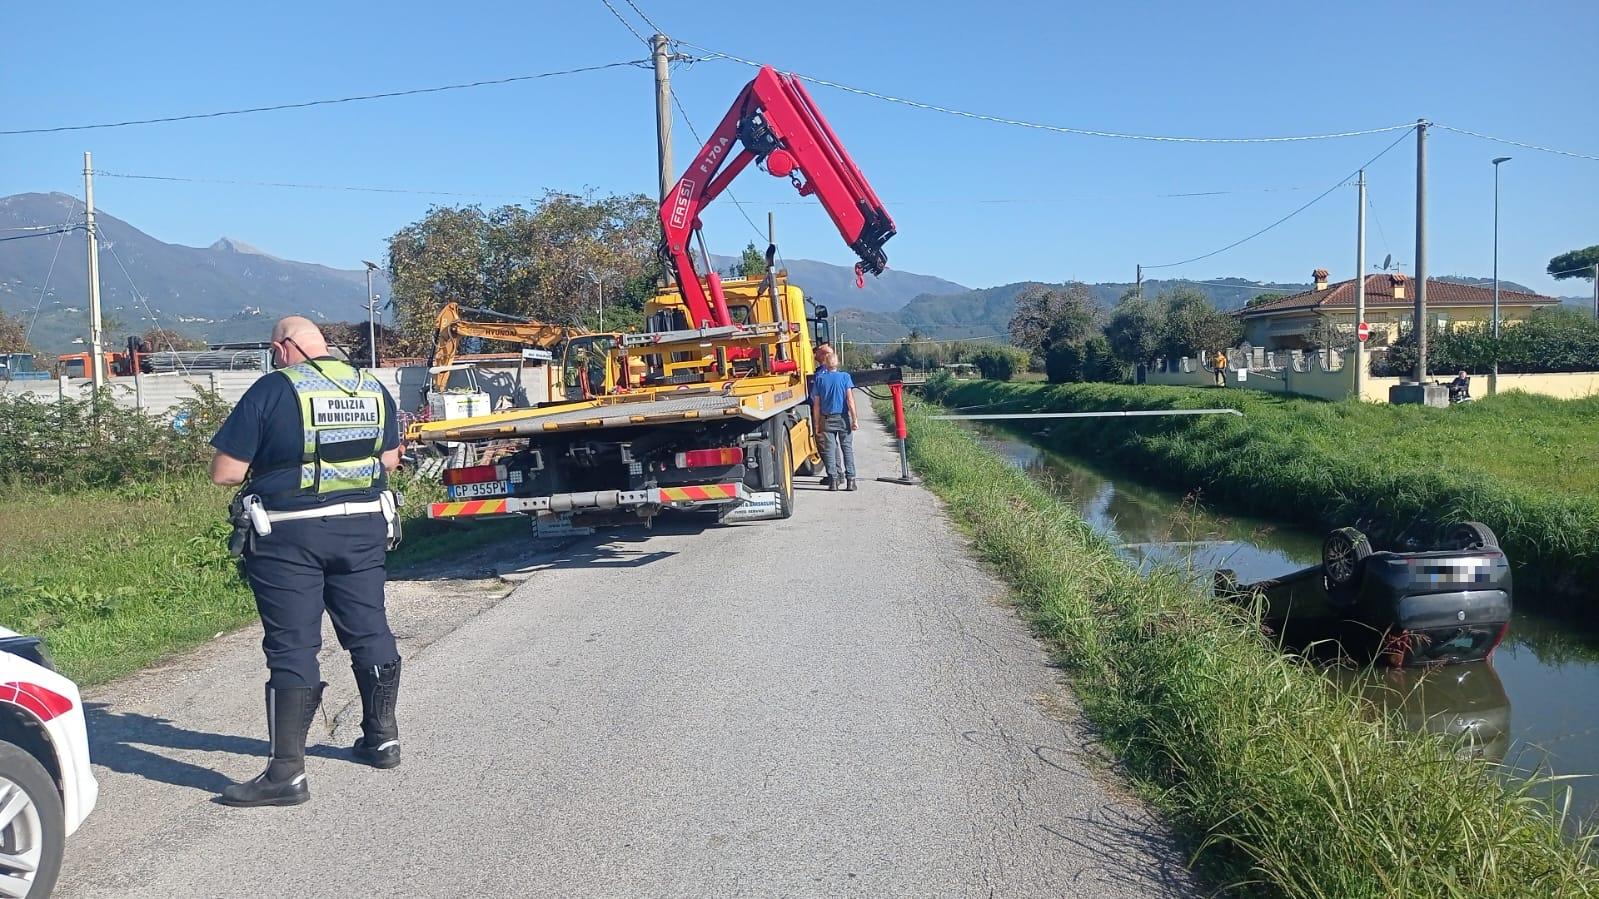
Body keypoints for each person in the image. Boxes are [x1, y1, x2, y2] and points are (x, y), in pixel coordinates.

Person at [208, 316, 405, 807]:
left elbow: (225, 474)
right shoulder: (369, 385)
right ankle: (382, 739)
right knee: (369, 628)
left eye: (276, 350)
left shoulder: (273, 389)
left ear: (284, 347)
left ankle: (286, 774)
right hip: (362, 527)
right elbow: (390, 460)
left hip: (288, 536)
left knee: (293, 646)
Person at [810, 347, 858, 491]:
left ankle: (833, 482)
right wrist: (854, 419)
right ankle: (851, 481)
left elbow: (816, 405)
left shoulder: (820, 379)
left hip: (827, 419)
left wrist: (817, 423)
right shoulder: (845, 377)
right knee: (847, 449)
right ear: (837, 363)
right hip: (843, 418)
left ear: (825, 363)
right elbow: (849, 400)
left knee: (830, 450)